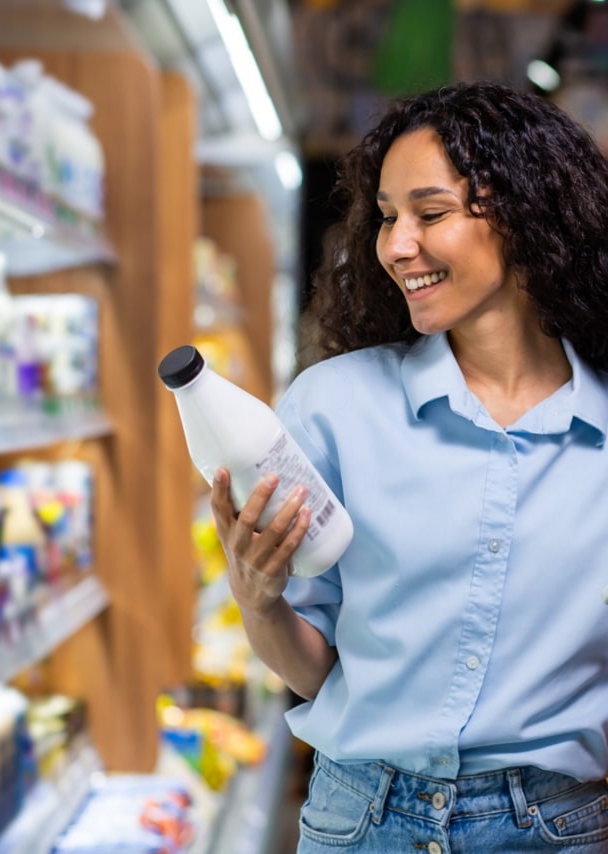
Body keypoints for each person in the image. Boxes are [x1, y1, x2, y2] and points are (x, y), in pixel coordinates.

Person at [210, 80, 608, 852]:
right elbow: (315, 670)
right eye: (388, 216)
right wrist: (260, 602)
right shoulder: (333, 406)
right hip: (361, 820)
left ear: (528, 213)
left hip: (555, 828)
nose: (395, 245)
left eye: (430, 213)